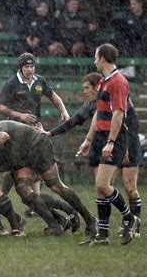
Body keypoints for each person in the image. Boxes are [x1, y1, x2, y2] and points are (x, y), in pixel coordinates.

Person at [46, 72, 143, 237]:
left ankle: (132, 221)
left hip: (124, 143)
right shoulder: (91, 104)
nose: (84, 91)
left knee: (129, 187)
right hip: (106, 143)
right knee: (103, 186)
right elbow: (76, 120)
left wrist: (125, 148)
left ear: (98, 86)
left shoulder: (117, 99)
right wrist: (52, 133)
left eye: (86, 88)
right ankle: (105, 231)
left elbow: (131, 124)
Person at [0, 119, 97, 236]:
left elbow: (2, 136)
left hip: (35, 144)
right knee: (24, 191)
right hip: (19, 156)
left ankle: (89, 219)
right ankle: (55, 225)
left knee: (55, 185)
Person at [77, 43, 140, 246]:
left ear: (103, 58)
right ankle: (103, 236)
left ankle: (129, 217)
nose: (94, 60)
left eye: (96, 57)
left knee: (103, 185)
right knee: (100, 189)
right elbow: (100, 113)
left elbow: (119, 113)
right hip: (102, 137)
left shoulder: (118, 81)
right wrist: (89, 140)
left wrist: (111, 142)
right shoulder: (105, 81)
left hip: (114, 138)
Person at [0, 52, 69, 216]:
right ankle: (1, 198)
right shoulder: (12, 83)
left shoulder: (40, 81)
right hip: (15, 131)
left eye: (32, 66)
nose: (30, 69)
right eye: (27, 66)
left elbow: (54, 97)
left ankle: (33, 203)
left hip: (35, 130)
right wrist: (19, 115)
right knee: (13, 167)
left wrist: (63, 111)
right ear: (20, 68)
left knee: (36, 164)